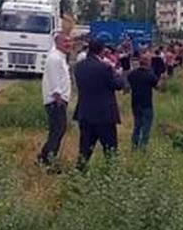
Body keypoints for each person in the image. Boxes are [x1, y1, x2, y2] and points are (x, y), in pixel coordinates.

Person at [73, 39, 125, 170]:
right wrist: (118, 75)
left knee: (84, 149)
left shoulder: (79, 66)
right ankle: (112, 175)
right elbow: (117, 85)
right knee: (110, 149)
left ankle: (79, 175)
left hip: (85, 112)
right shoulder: (105, 68)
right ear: (102, 50)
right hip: (104, 114)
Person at [37, 32, 73, 166]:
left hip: (59, 101)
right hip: (56, 102)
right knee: (57, 131)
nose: (69, 44)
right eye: (65, 42)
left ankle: (44, 157)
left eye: (70, 41)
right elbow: (54, 80)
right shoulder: (54, 58)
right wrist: (58, 98)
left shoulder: (61, 57)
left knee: (58, 131)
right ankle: (48, 160)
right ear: (57, 43)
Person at [127, 51, 160, 151]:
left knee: (137, 125)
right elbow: (158, 86)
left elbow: (128, 84)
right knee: (146, 126)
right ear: (148, 63)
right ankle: (143, 146)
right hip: (146, 104)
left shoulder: (132, 74)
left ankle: (134, 145)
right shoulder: (150, 75)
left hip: (135, 103)